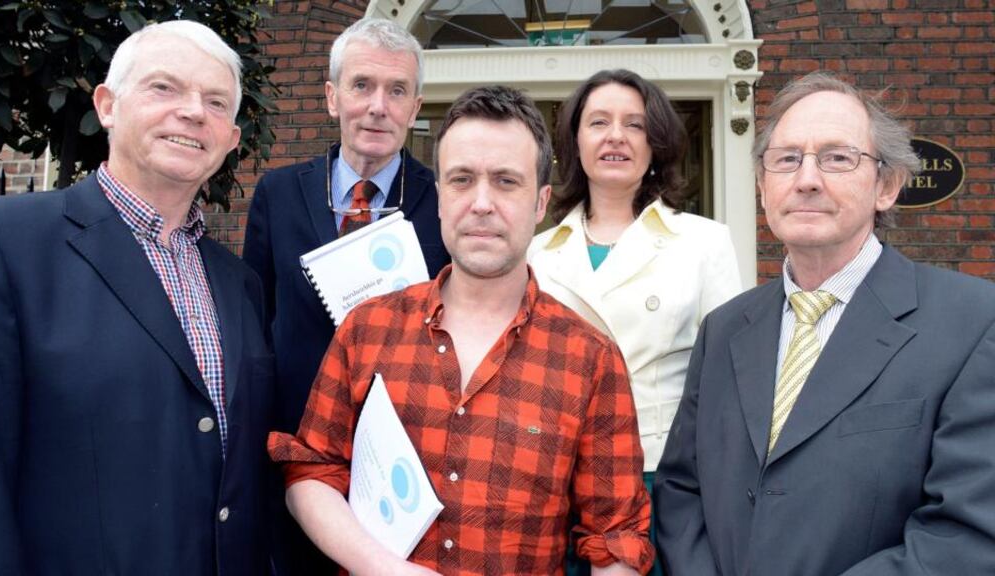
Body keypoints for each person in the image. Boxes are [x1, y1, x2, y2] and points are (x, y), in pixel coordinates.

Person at [268, 85, 654, 576]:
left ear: (540, 203)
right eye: (462, 180)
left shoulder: (590, 358)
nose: (482, 203)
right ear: (441, 199)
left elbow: (616, 538)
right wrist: (384, 569)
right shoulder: (368, 329)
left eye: (506, 181)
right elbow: (310, 472)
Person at [655, 70, 995, 576]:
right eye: (787, 159)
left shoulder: (972, 322)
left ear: (887, 185)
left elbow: (965, 533)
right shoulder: (724, 329)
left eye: (838, 158)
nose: (807, 179)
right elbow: (682, 489)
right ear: (763, 187)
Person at [0, 20, 272, 575]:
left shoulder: (239, 282)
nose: (192, 111)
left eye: (215, 101)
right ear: (107, 105)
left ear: (230, 139)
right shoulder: (0, 243)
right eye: (164, 88)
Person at [242, 20, 449, 570]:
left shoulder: (443, 203)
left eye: (397, 91)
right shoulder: (278, 193)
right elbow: (256, 325)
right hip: (296, 453)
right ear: (333, 97)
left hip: (407, 462)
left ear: (415, 106)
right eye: (362, 86)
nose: (379, 106)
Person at [529, 69, 741, 575]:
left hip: (659, 477)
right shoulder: (536, 252)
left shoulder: (704, 242)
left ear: (656, 143)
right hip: (554, 476)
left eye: (634, 125)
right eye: (598, 122)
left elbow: (729, 380)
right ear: (574, 141)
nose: (615, 137)